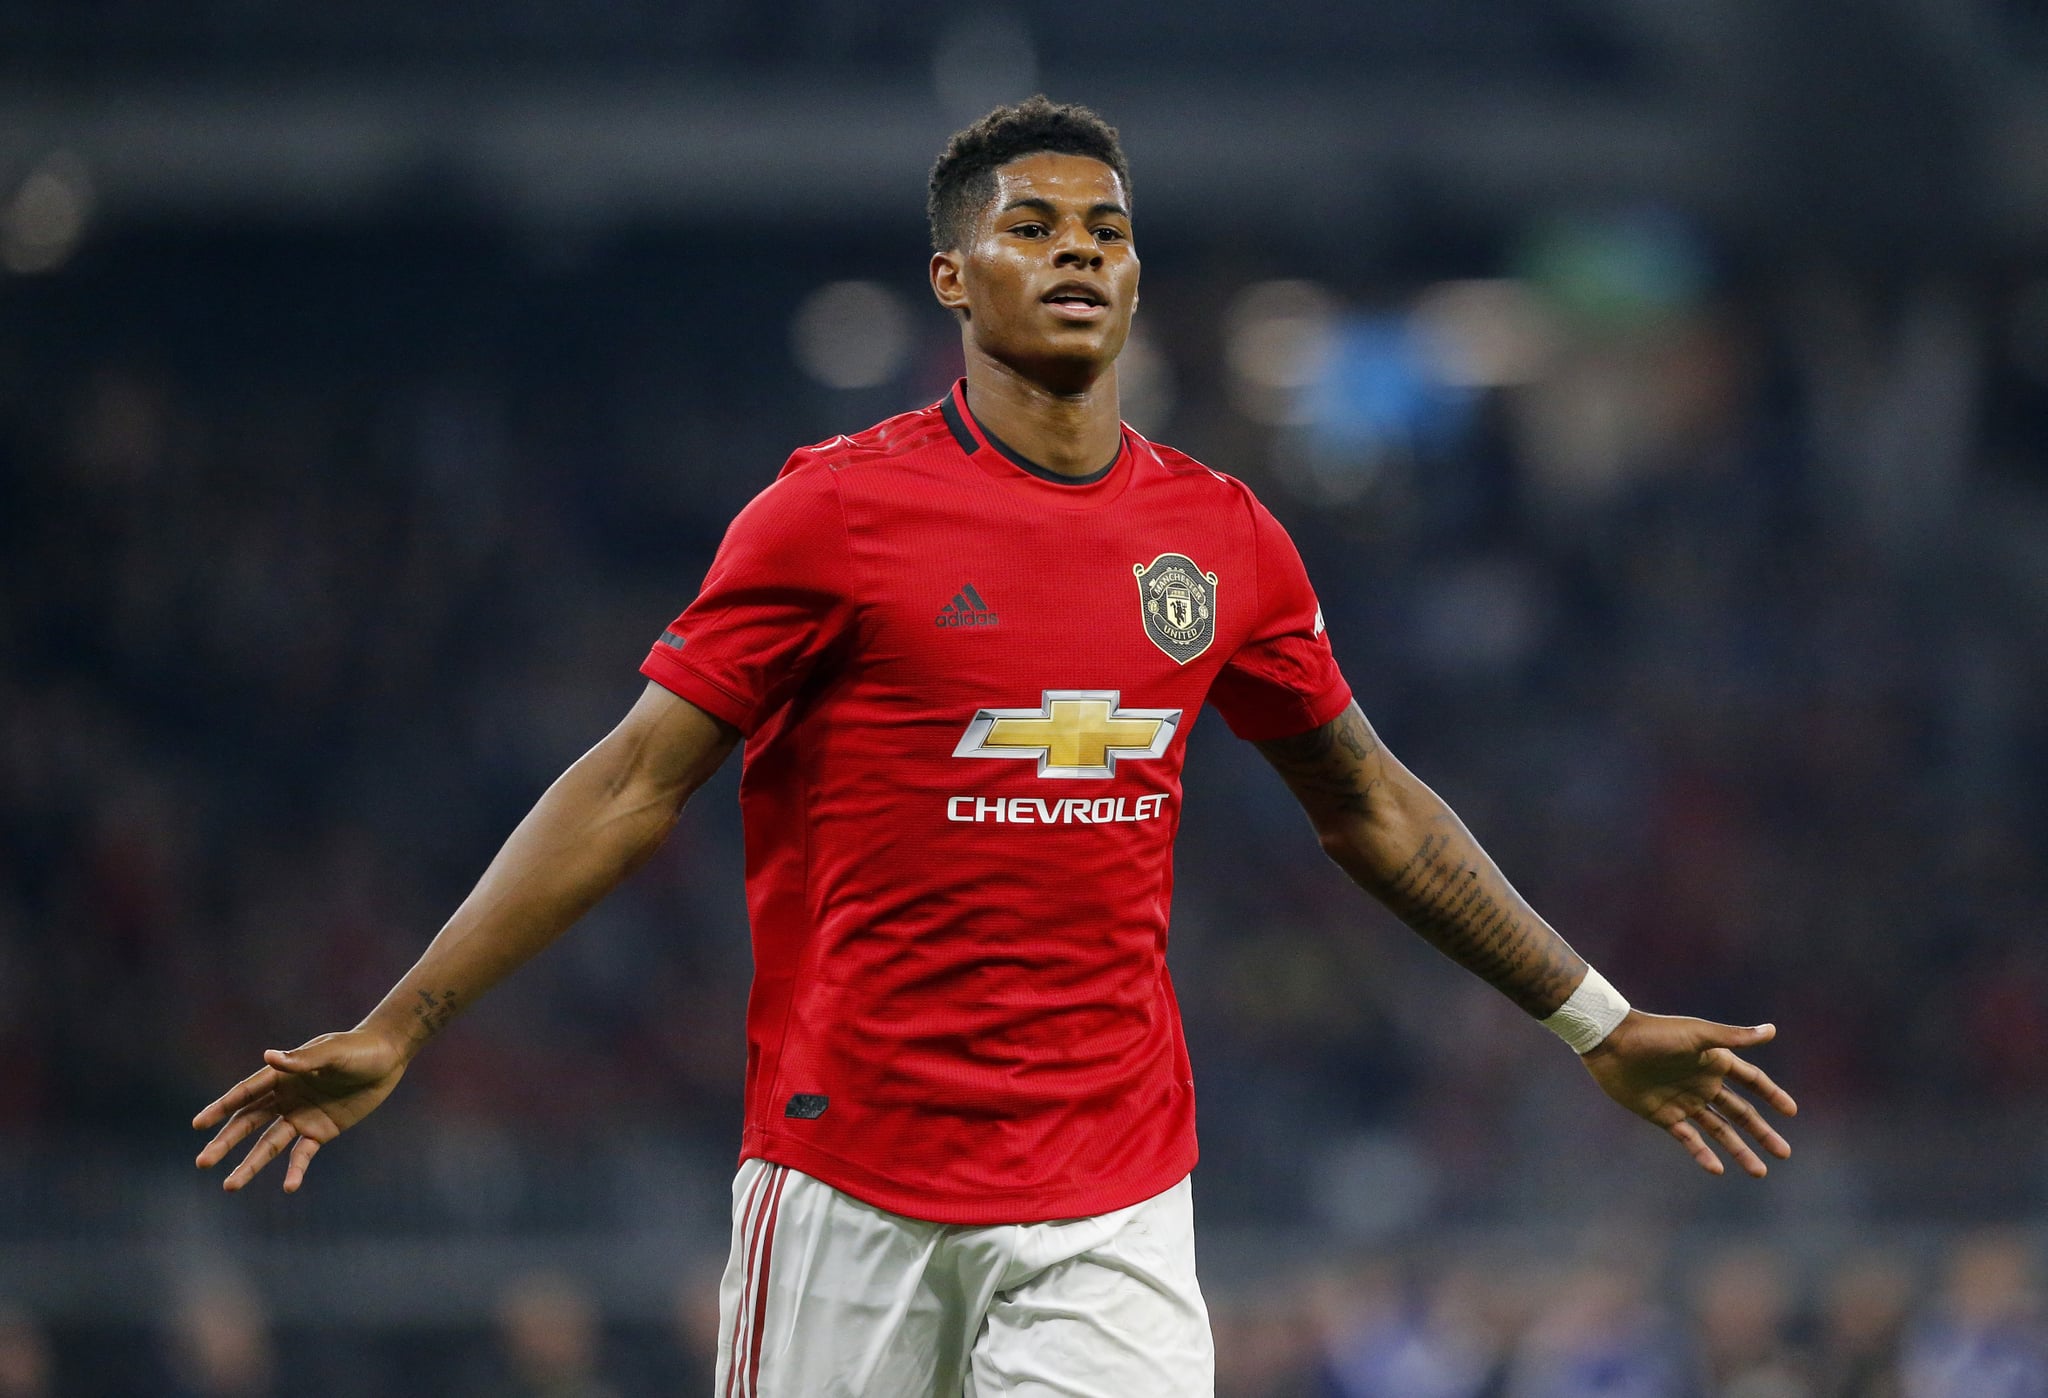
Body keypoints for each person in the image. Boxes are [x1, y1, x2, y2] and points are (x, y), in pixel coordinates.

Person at [192, 96, 1798, 1397]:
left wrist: (1592, 1017)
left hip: (1108, 1191)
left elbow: (1370, 805)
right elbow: (630, 783)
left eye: (1107, 229)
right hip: (848, 1184)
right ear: (955, 279)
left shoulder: (1220, 540)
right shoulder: (835, 512)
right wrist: (402, 1025)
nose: (1079, 253)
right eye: (1031, 228)